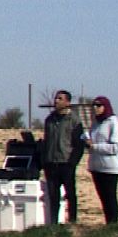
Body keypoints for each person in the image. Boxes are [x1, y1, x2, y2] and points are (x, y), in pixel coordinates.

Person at [40, 90, 86, 225]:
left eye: (60, 99)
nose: (56, 101)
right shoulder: (49, 120)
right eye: (55, 98)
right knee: (53, 196)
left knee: (70, 195)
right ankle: (53, 223)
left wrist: (72, 163)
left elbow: (79, 145)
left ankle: (72, 222)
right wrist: (44, 159)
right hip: (51, 164)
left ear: (67, 102)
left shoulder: (75, 121)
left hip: (66, 163)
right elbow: (46, 141)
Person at [86, 95, 118, 224]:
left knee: (110, 197)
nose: (95, 108)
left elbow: (115, 147)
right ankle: (108, 223)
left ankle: (113, 224)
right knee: (103, 198)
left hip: (109, 167)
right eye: (94, 105)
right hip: (96, 166)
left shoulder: (112, 122)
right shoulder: (95, 123)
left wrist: (95, 146)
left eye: (98, 105)